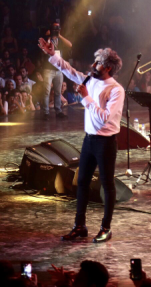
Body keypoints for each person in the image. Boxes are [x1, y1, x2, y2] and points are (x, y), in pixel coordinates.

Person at [39, 38, 124, 243]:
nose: (93, 66)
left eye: (98, 63)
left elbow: (105, 117)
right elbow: (70, 71)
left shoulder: (115, 90)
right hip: (89, 140)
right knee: (82, 182)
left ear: (109, 67)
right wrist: (52, 54)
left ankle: (106, 227)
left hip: (105, 142)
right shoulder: (90, 80)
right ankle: (80, 226)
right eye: (95, 62)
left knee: (107, 185)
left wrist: (85, 98)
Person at [40, 23, 72, 120]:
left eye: (57, 29)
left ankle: (58, 111)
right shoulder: (47, 39)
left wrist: (59, 35)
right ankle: (46, 112)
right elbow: (44, 50)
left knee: (58, 91)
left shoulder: (60, 41)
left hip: (58, 70)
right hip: (48, 69)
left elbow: (70, 45)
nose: (55, 31)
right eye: (54, 29)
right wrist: (49, 36)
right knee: (46, 91)